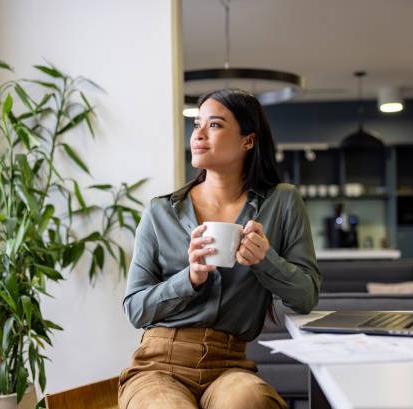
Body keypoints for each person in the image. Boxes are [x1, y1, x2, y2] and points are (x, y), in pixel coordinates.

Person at [118, 88, 321, 409]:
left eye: (214, 125)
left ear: (248, 141)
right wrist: (191, 278)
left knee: (247, 400)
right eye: (196, 124)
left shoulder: (282, 202)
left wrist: (264, 260)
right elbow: (135, 309)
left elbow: (306, 297)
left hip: (229, 366)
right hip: (157, 366)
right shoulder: (161, 212)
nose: (197, 134)